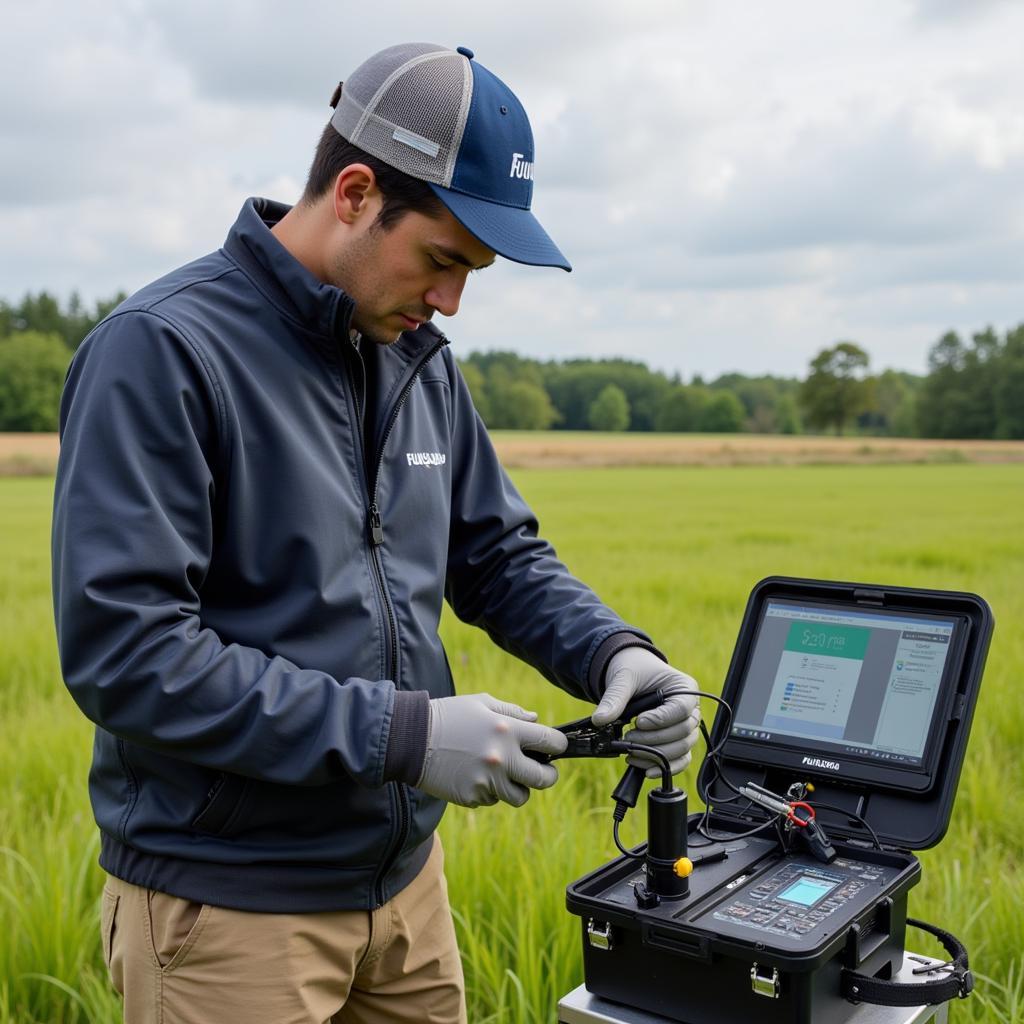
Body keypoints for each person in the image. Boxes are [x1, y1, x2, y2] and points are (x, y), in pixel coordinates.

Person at [51, 42, 701, 1024]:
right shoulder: (164, 351)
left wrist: (614, 649)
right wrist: (401, 733)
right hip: (227, 909)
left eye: (471, 273)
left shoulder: (416, 362)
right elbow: (126, 653)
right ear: (354, 193)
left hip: (403, 889)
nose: (451, 301)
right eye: (441, 260)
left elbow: (495, 555)